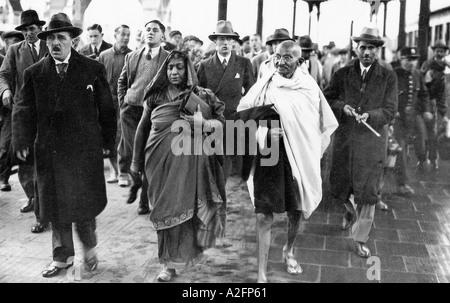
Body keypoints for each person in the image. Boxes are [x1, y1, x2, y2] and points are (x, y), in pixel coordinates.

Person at [12, 13, 116, 278]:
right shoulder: (34, 73)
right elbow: (23, 109)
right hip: (50, 151)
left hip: (83, 151)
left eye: (61, 37)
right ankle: (62, 258)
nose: (55, 43)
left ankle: (90, 252)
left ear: (73, 40)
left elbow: (106, 108)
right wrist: (22, 139)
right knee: (55, 208)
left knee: (84, 207)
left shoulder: (91, 68)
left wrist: (108, 142)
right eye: (51, 38)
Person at [236, 40, 338, 283]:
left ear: (299, 61)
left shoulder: (309, 88)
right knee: (263, 215)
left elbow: (317, 125)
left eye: (287, 58)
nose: (281, 62)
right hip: (268, 154)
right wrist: (262, 131)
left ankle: (289, 250)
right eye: (278, 57)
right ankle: (261, 273)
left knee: (296, 212)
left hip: (299, 157)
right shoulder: (265, 84)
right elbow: (241, 116)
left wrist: (305, 145)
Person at [131, 50, 226, 282]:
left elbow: (223, 126)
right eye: (170, 67)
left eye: (179, 68)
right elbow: (142, 129)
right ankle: (169, 260)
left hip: (188, 164)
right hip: (157, 164)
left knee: (183, 212)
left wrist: (203, 123)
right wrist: (135, 162)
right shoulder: (155, 96)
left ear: (189, 70)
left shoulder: (202, 96)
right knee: (163, 211)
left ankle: (170, 264)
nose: (174, 72)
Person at [323, 27, 398, 258]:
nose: (366, 52)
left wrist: (372, 116)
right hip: (346, 140)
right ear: (356, 48)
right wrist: (341, 106)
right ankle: (348, 212)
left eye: (371, 48)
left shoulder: (387, 76)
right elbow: (328, 98)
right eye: (363, 47)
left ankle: (360, 238)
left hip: (372, 143)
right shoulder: (342, 73)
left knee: (368, 192)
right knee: (339, 187)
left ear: (377, 50)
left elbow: (390, 110)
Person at [0, 9, 49, 233]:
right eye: (25, 30)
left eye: (32, 29)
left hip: (48, 114)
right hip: (22, 114)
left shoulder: (51, 47)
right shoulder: (14, 51)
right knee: (22, 159)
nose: (28, 33)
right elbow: (4, 75)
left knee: (44, 163)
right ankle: (32, 197)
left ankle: (43, 213)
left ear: (40, 29)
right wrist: (5, 91)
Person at [117, 20, 169, 214]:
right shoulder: (132, 56)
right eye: (147, 29)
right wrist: (124, 101)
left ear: (162, 36)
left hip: (154, 115)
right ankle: (135, 183)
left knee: (149, 158)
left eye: (155, 30)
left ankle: (144, 201)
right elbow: (122, 80)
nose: (150, 33)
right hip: (131, 112)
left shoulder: (168, 59)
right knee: (133, 155)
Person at [197, 20, 255, 180]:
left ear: (233, 42)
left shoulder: (243, 63)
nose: (225, 43)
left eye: (229, 39)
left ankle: (220, 198)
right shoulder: (204, 65)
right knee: (211, 159)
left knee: (227, 160)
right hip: (212, 120)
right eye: (221, 39)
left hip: (233, 119)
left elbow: (252, 92)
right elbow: (198, 94)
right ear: (215, 42)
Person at [99, 25, 132, 184]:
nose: (126, 38)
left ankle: (123, 173)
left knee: (123, 136)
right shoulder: (104, 55)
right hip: (107, 103)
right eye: (123, 35)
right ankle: (113, 170)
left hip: (125, 103)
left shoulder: (133, 56)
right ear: (115, 35)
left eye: (128, 35)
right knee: (109, 136)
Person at [393, 47, 429, 194]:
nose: (412, 63)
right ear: (400, 59)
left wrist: (426, 109)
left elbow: (424, 94)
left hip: (413, 116)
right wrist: (392, 110)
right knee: (400, 149)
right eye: (408, 59)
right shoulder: (393, 74)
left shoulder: (417, 75)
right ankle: (402, 184)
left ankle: (423, 162)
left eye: (414, 59)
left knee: (422, 138)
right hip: (398, 118)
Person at [419, 40, 449, 172]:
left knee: (432, 133)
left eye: (442, 51)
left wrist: (444, 113)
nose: (439, 53)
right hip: (425, 99)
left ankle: (432, 159)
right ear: (434, 51)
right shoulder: (429, 64)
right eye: (437, 51)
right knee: (421, 133)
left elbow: (442, 93)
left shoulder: (445, 68)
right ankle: (422, 159)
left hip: (436, 100)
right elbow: (421, 77)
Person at [0, 31, 24, 192]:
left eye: (14, 41)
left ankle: (3, 177)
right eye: (7, 42)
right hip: (3, 109)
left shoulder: (20, 57)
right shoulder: (3, 59)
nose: (10, 45)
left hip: (12, 108)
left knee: (6, 144)